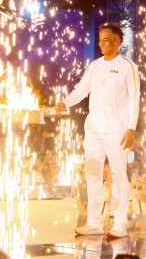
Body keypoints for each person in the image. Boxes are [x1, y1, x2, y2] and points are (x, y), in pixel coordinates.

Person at [54, 23, 140, 238]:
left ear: (118, 42)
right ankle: (93, 222)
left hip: (117, 131)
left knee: (119, 176)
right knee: (92, 175)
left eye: (106, 40)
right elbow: (81, 90)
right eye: (100, 40)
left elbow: (134, 99)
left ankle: (119, 224)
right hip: (93, 130)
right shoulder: (95, 65)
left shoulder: (127, 66)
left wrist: (131, 128)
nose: (102, 44)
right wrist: (63, 104)